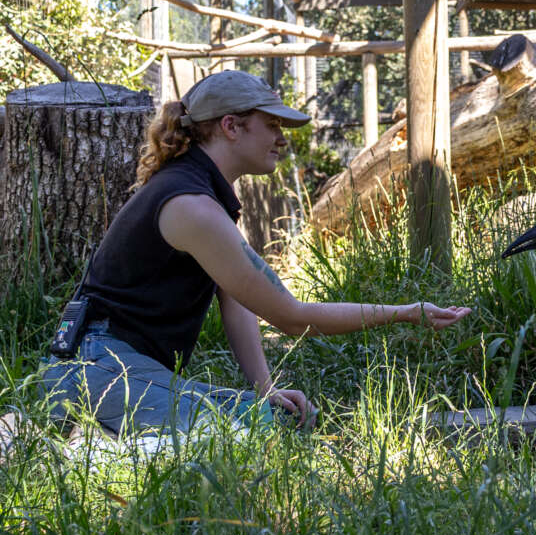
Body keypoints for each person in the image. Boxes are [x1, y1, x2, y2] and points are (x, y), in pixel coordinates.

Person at [41, 71, 471, 436]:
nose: (281, 139)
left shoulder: (202, 194)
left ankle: (89, 435)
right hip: (94, 369)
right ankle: (73, 442)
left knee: (278, 416)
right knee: (252, 431)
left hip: (110, 368)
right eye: (272, 124)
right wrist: (405, 312)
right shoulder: (192, 205)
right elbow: (291, 317)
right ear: (231, 126)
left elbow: (237, 300)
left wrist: (265, 388)